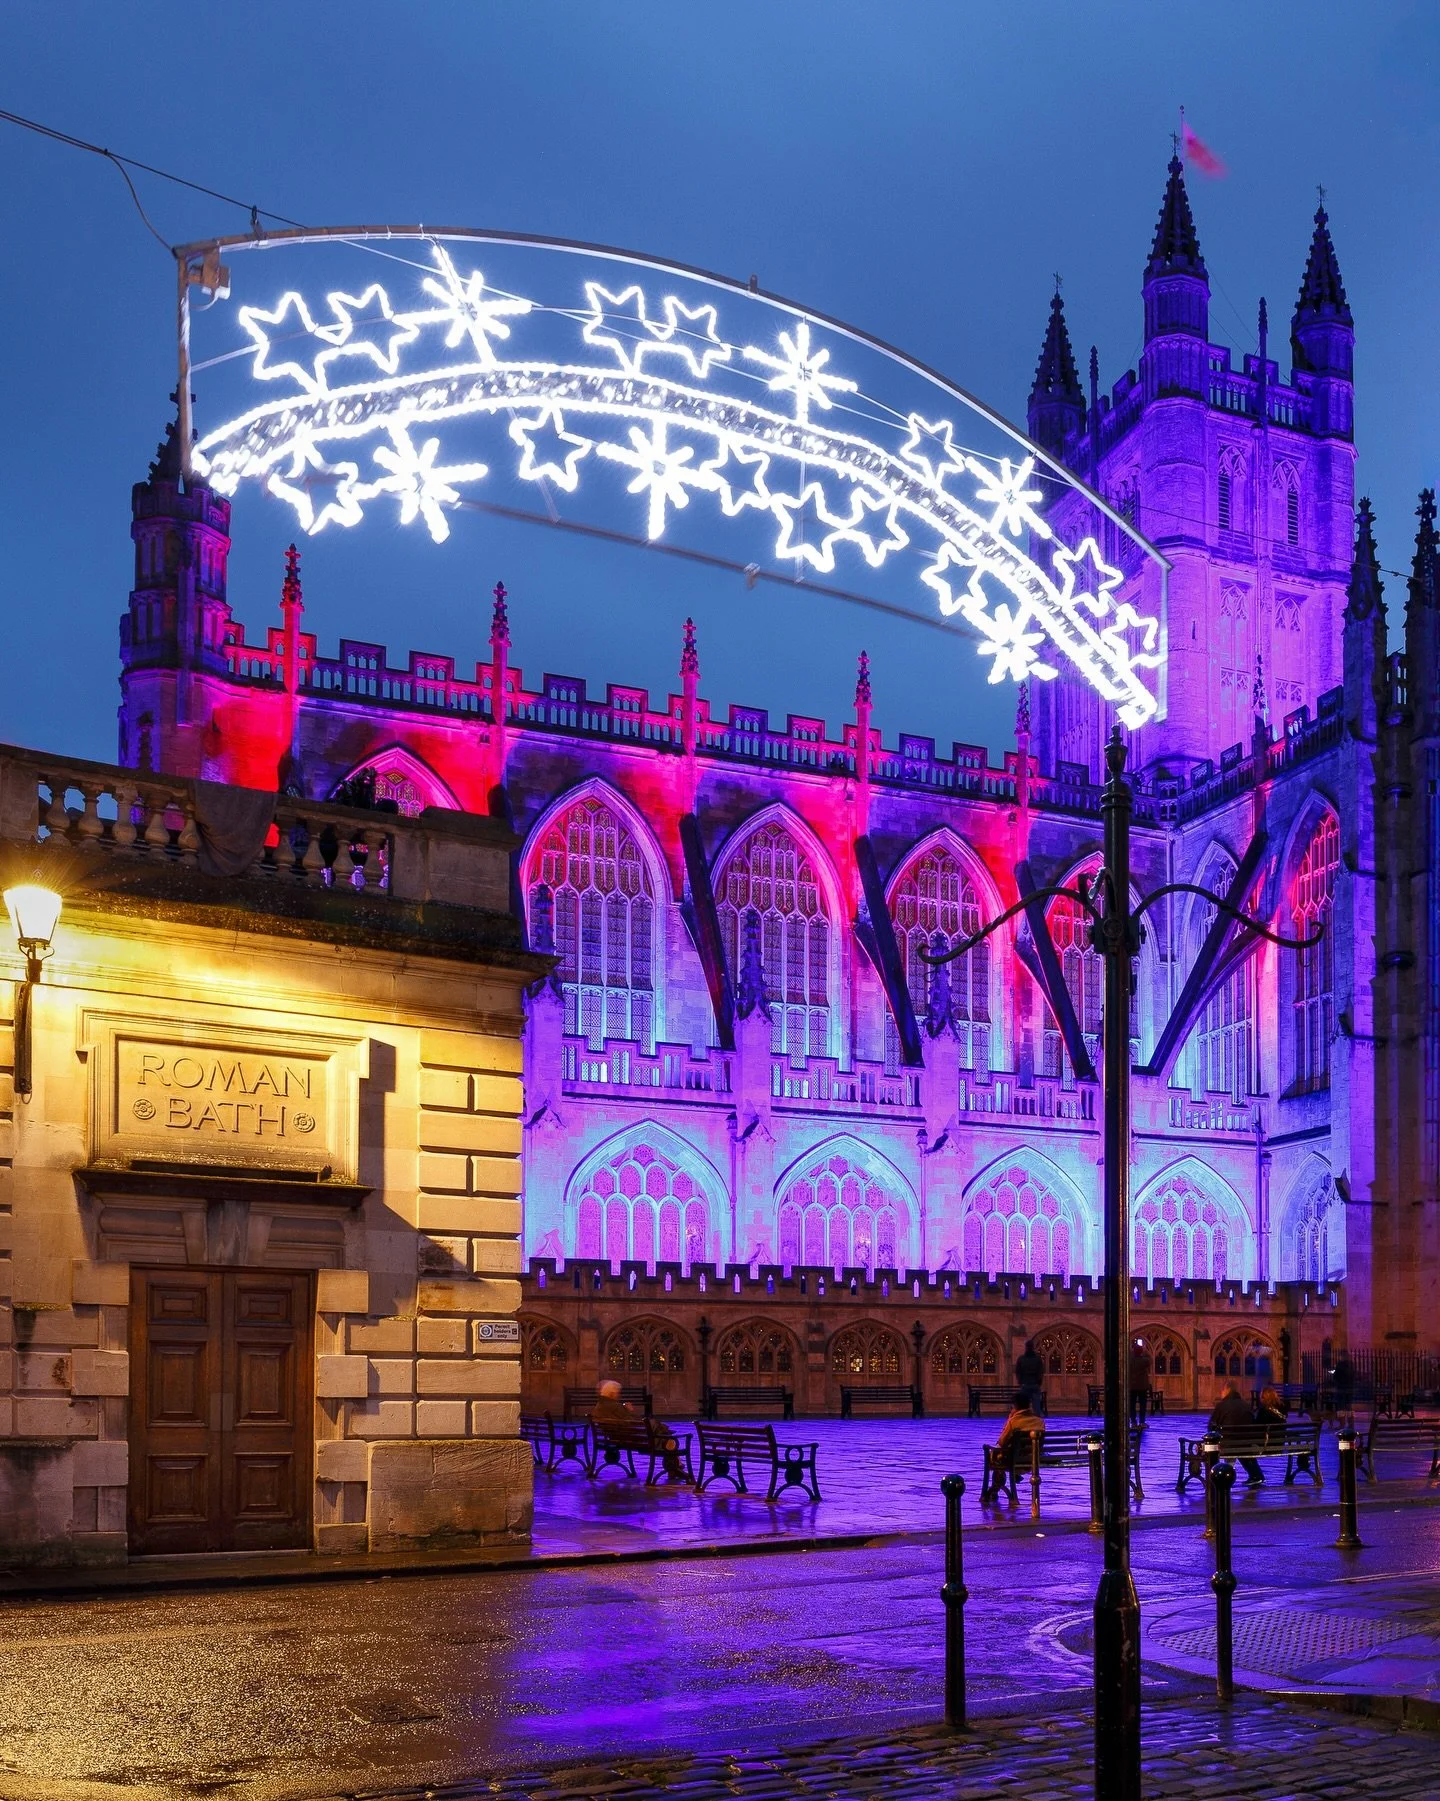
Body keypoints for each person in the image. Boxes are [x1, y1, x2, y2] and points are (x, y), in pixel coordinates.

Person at [591, 1379, 688, 1484]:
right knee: (665, 1436)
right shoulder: (615, 1407)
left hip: (618, 1439)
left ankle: (675, 1464)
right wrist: (630, 1410)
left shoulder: (599, 1407)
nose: (618, 1396)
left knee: (664, 1436)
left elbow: (623, 1421)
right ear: (611, 1393)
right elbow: (634, 1422)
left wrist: (624, 1410)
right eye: (617, 1393)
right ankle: (675, 1466)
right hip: (634, 1439)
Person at [988, 1389, 1046, 1502]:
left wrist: (1010, 1418)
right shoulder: (1040, 1421)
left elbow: (1001, 1442)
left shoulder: (1013, 1421)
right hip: (1032, 1460)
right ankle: (1013, 1477)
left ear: (1014, 1406)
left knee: (995, 1456)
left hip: (1012, 1460)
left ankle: (994, 1490)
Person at [1208, 1379, 1264, 1485]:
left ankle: (1218, 1476)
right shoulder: (1246, 1405)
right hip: (1245, 1443)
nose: (1221, 1392)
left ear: (1228, 1390)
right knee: (1242, 1448)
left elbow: (1211, 1426)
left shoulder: (1222, 1406)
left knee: (1213, 1446)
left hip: (1227, 1443)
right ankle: (1256, 1475)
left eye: (1222, 1390)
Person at [1128, 1338, 1153, 1425]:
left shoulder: (1130, 1360)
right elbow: (1151, 1360)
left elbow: (1130, 1356)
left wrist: (1132, 1351)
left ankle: (1133, 1421)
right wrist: (1145, 1351)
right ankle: (1142, 1422)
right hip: (1142, 1386)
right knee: (1143, 1405)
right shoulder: (1144, 1360)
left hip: (1132, 1386)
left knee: (1132, 1405)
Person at [1015, 1339, 1045, 1411]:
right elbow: (1040, 1372)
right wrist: (1038, 1382)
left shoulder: (1021, 1359)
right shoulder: (1037, 1359)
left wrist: (1020, 1382)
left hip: (1025, 1384)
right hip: (1034, 1384)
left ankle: (1025, 1420)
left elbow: (1018, 1371)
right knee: (1036, 1406)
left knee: (1023, 1407)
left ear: (1026, 1347)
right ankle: (1036, 1421)